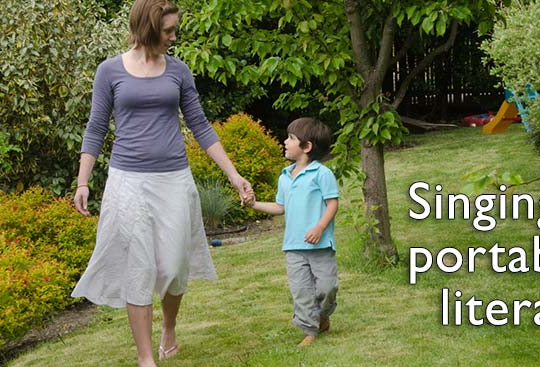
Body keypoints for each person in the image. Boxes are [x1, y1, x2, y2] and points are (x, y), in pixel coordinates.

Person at [70, 1, 251, 366]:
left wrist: (233, 174)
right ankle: (146, 358)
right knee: (138, 265)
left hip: (173, 180)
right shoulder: (110, 71)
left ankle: (169, 327)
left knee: (172, 265)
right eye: (167, 31)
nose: (173, 37)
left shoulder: (179, 71)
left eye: (173, 30)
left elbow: (199, 124)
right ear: (147, 29)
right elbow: (96, 126)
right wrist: (83, 181)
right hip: (128, 182)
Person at [245, 117, 339, 347]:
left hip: (320, 246)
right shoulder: (284, 177)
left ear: (307, 147)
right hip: (293, 248)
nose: (285, 141)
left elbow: (333, 204)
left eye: (291, 138)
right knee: (302, 291)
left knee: (327, 288)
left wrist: (319, 228)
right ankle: (310, 329)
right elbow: (280, 207)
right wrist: (254, 204)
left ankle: (323, 315)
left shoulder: (322, 174)